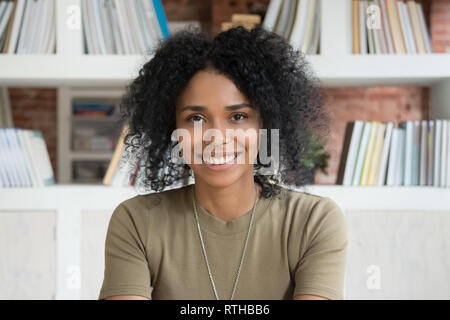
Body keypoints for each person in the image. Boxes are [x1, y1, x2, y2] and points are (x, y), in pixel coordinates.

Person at [98, 25, 348, 300]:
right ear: (173, 130)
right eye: (196, 118)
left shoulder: (313, 221)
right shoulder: (136, 223)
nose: (217, 138)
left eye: (238, 117)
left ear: (264, 124)